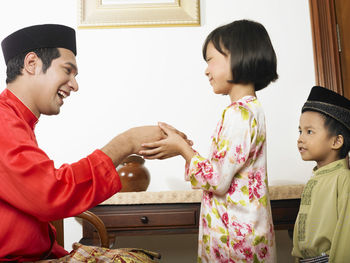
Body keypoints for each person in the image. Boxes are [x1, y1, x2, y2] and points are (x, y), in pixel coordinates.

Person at [0, 24, 190, 262]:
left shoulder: (16, 120)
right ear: (32, 64)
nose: (74, 85)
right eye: (67, 70)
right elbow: (52, 192)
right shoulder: (3, 121)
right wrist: (127, 142)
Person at [140, 19, 278, 262]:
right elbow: (226, 169)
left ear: (238, 56)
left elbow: (217, 179)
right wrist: (182, 145)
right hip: (242, 230)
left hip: (234, 238)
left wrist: (182, 148)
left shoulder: (239, 114)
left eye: (211, 60)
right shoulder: (251, 110)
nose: (206, 70)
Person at [292, 86, 350, 263]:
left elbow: (345, 237)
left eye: (309, 131)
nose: (300, 138)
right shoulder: (315, 179)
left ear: (337, 141)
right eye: (300, 131)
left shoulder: (343, 179)